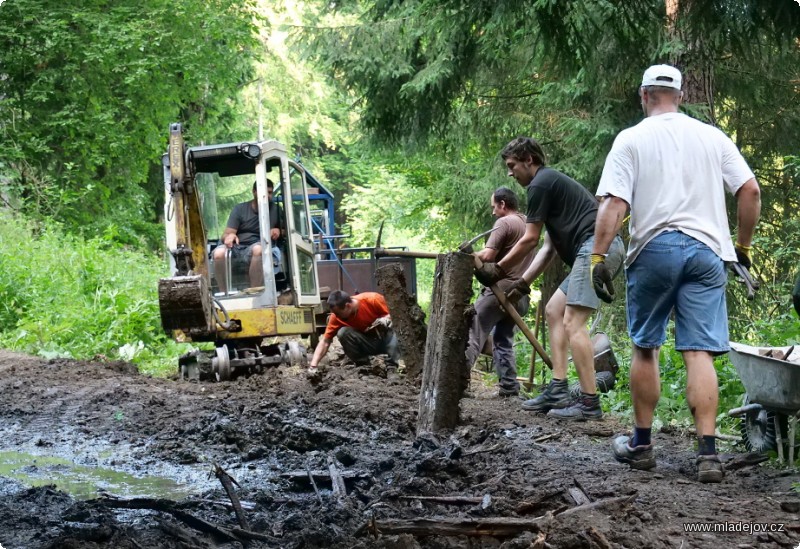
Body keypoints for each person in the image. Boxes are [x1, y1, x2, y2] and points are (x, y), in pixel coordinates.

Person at [592, 64, 761, 483]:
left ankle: (642, 446)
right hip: (708, 252)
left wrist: (598, 257)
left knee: (645, 346)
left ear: (644, 95)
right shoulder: (711, 136)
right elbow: (750, 190)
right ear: (680, 96)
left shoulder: (630, 139)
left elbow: (614, 205)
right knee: (698, 351)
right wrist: (741, 247)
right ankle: (707, 455)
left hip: (655, 249)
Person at [474, 137, 625, 421]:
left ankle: (590, 403)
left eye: (512, 165)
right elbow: (547, 248)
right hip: (593, 249)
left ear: (529, 160)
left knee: (573, 322)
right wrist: (523, 282)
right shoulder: (548, 187)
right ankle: (558, 388)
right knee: (555, 309)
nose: (510, 173)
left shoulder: (541, 183)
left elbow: (529, 240)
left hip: (596, 250)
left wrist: (499, 269)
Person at [465, 187, 535, 397]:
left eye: (494, 206)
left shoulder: (504, 223)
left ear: (503, 204)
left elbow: (487, 256)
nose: (493, 212)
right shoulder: (528, 224)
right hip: (520, 295)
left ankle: (456, 383)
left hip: (500, 291)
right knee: (503, 339)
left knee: (472, 330)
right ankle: (509, 387)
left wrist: (465, 255)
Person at [213, 180, 282, 293]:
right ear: (254, 192)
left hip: (258, 244)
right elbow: (226, 234)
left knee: (259, 249)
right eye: (263, 192)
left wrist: (278, 230)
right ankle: (223, 293)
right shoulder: (240, 209)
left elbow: (288, 232)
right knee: (218, 253)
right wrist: (230, 236)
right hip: (237, 246)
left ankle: (254, 293)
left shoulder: (276, 210)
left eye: (270, 193)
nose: (267, 196)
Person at [308, 290, 400, 373]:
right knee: (343, 332)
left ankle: (392, 368)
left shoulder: (372, 299)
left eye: (338, 313)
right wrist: (313, 365)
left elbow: (399, 314)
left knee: (394, 328)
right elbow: (325, 342)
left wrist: (387, 318)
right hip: (368, 344)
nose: (336, 316)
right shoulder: (336, 317)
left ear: (347, 306)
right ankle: (364, 366)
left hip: (387, 341)